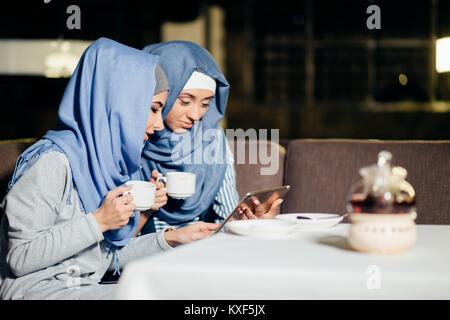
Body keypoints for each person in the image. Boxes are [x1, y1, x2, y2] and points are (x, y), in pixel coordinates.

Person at [0, 38, 217, 300]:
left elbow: (102, 261)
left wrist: (172, 238)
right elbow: (19, 258)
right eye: (153, 109)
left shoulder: (107, 165)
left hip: (83, 288)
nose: (159, 124)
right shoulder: (52, 161)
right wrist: (99, 220)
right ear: (119, 104)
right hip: (36, 292)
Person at [138, 41, 283, 235]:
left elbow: (227, 215)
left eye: (205, 104)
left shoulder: (212, 139)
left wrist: (250, 224)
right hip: (146, 253)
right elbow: (117, 240)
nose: (196, 115)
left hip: (201, 248)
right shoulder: (135, 138)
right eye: (185, 101)